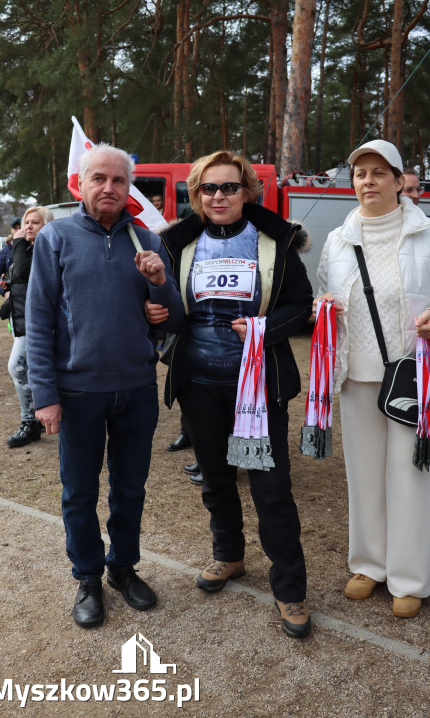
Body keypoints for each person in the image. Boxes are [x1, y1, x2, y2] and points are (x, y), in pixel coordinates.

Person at [144, 150, 313, 638]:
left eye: (229, 187)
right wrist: (157, 313)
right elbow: (171, 309)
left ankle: (290, 587)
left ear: (247, 192)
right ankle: (229, 555)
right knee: (216, 479)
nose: (218, 196)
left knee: (270, 487)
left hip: (256, 386)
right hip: (199, 383)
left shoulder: (274, 242)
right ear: (196, 195)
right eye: (208, 189)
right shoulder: (177, 244)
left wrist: (264, 327)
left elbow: (300, 303)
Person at [26, 143, 184, 629]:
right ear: (82, 183)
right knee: (78, 491)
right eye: (100, 178)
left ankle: (122, 568)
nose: (110, 188)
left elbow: (175, 317)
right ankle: (88, 576)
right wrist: (45, 396)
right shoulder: (56, 237)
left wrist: (159, 285)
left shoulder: (148, 241)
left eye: (119, 180)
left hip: (136, 388)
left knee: (130, 487)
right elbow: (38, 321)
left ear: (128, 187)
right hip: (77, 393)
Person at [315, 139, 430, 618]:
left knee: (411, 477)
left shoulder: (428, 234)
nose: (368, 182)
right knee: (363, 477)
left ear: (400, 181)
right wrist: (323, 310)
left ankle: (408, 578)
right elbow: (323, 294)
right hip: (357, 377)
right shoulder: (339, 239)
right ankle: (368, 565)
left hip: (412, 376)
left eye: (379, 173)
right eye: (360, 173)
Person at [5, 206, 54, 448]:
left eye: (35, 222)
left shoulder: (43, 249)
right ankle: (37, 419)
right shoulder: (29, 248)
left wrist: (17, 242)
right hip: (21, 321)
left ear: (47, 226)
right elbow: (19, 281)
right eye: (26, 222)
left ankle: (30, 422)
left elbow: (23, 272)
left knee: (17, 366)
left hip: (37, 324)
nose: (28, 227)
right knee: (29, 369)